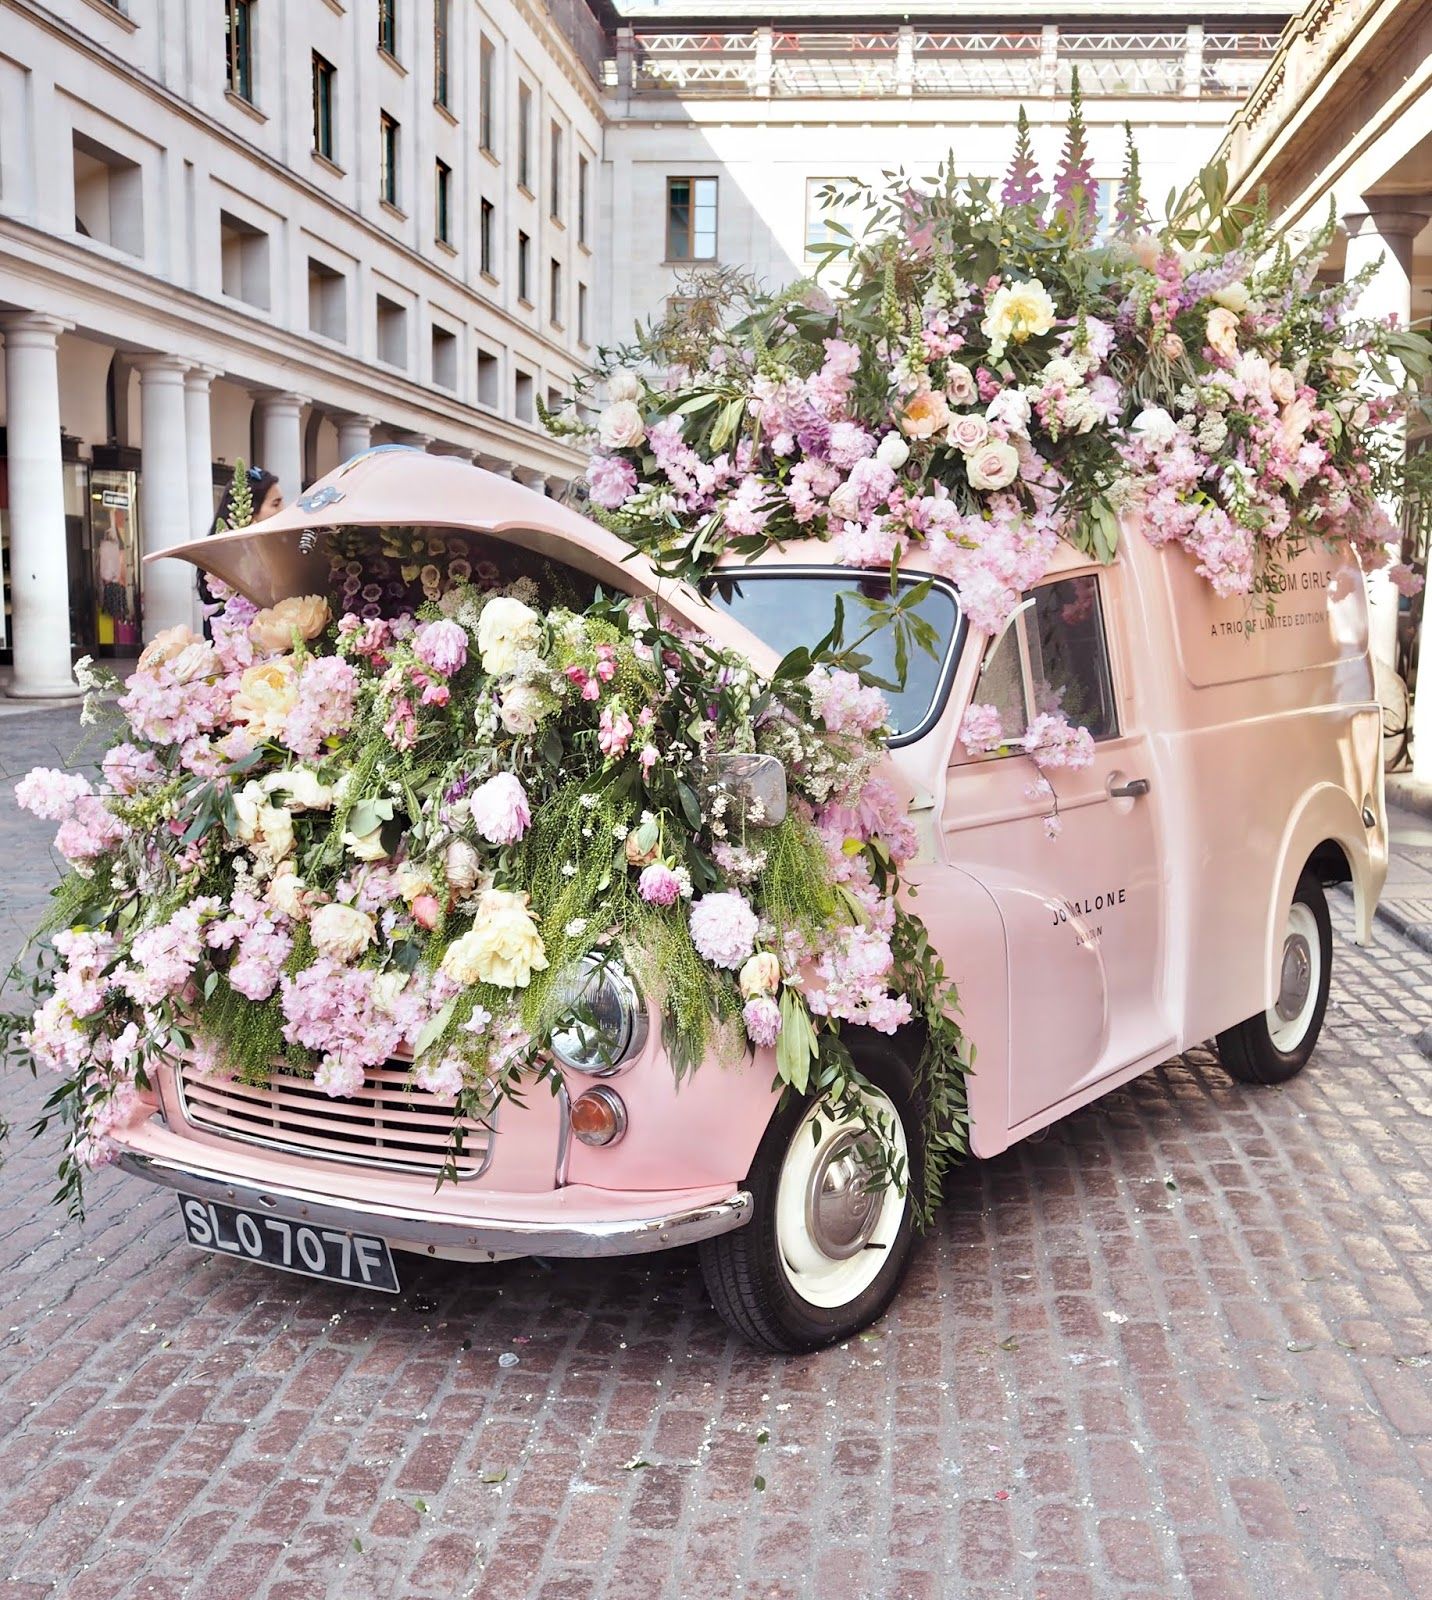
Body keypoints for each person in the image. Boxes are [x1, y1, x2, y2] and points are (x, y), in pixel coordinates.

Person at [199, 466, 282, 636]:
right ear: (251, 513)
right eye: (276, 504)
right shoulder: (224, 558)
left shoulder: (276, 552)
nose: (283, 510)